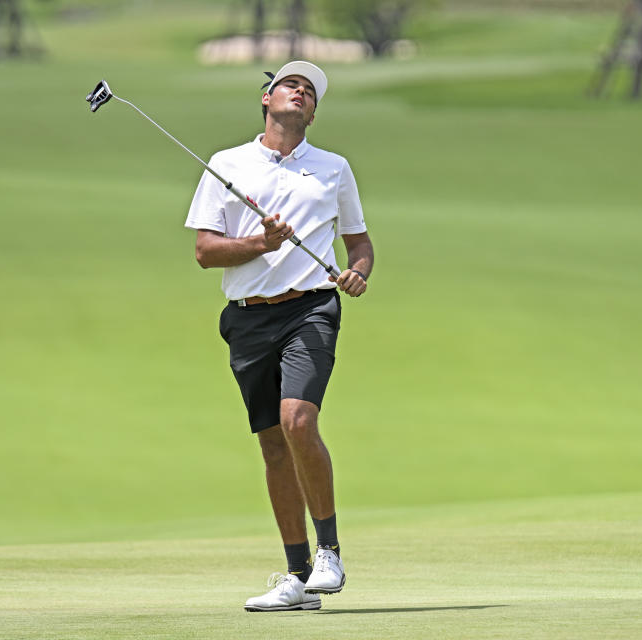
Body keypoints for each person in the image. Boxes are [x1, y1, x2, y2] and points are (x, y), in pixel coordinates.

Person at [185, 61, 374, 612]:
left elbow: (359, 244)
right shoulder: (227, 164)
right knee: (273, 445)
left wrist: (359, 270)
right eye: (292, 84)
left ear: (313, 111)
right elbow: (205, 252)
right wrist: (262, 245)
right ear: (267, 99)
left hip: (311, 308)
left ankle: (329, 552)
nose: (301, 92)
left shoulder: (333, 169)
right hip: (247, 318)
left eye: (310, 90)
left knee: (298, 420)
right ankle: (296, 577)